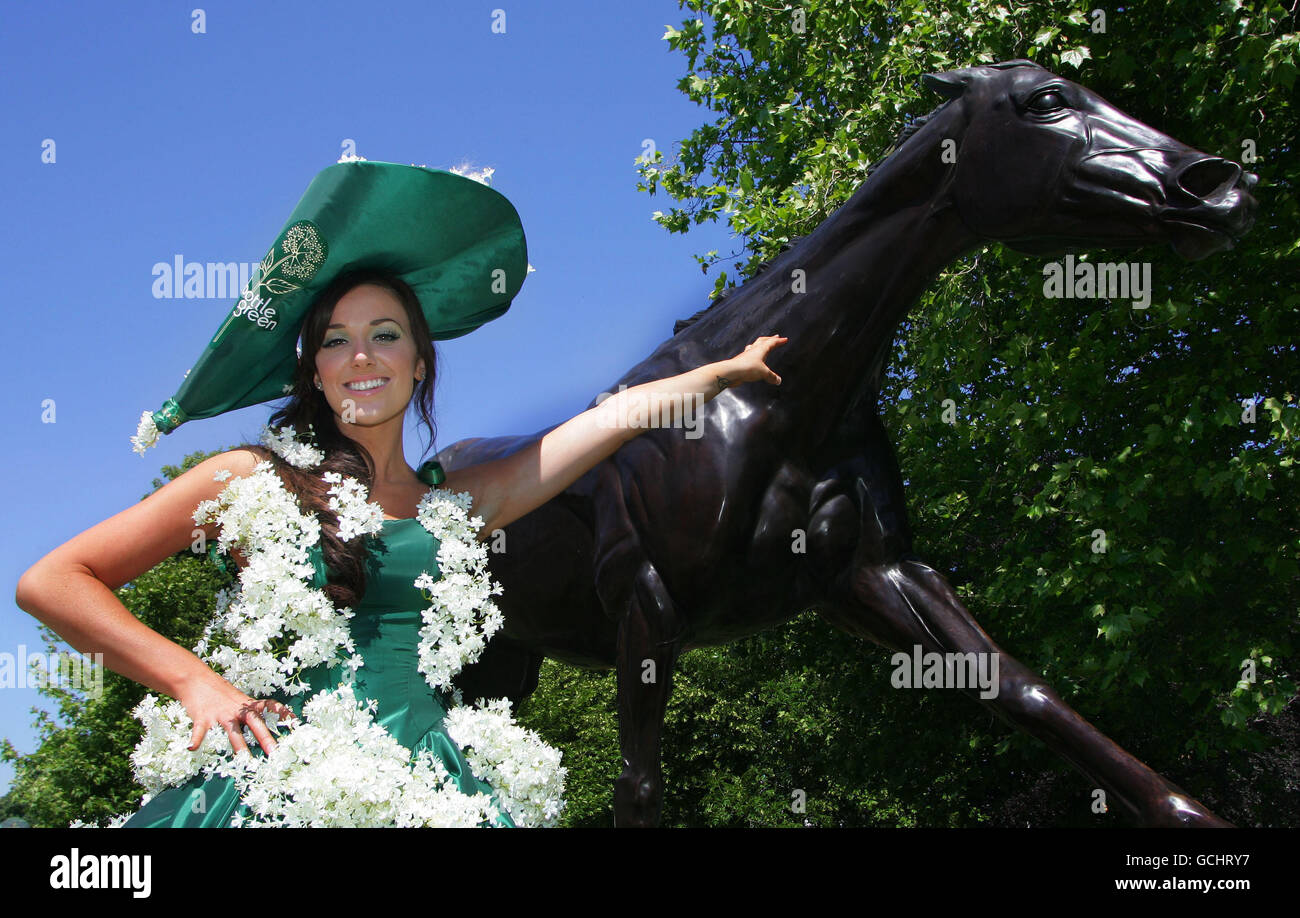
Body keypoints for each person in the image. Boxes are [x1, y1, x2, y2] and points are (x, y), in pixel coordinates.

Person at [14, 160, 787, 827]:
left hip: (433, 790)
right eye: (335, 340)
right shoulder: (249, 480)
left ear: (421, 362)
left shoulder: (455, 507)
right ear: (313, 370)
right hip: (274, 784)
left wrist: (722, 371)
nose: (361, 356)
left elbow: (607, 422)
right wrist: (194, 681)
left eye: (385, 334)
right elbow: (51, 582)